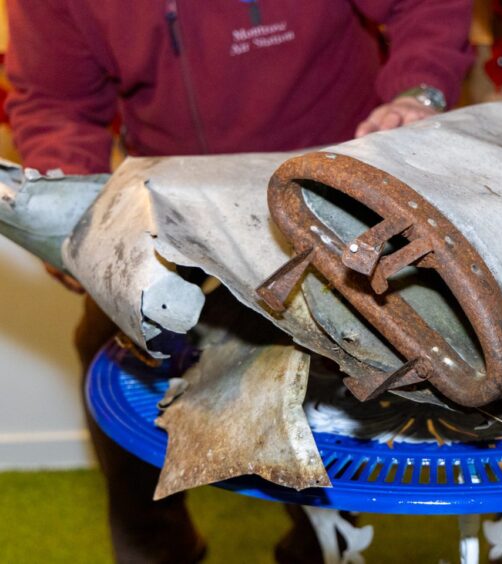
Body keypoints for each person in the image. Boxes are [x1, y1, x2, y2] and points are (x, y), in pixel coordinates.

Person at [5, 1, 473, 562]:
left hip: (322, 189)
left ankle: (316, 543)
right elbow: (57, 99)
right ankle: (156, 546)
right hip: (171, 201)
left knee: (328, 377)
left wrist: (418, 90)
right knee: (106, 347)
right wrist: (71, 194)